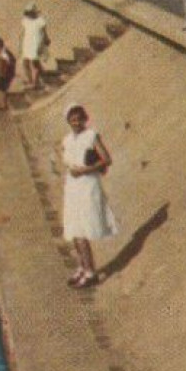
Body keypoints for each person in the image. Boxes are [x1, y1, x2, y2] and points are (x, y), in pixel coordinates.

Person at [60, 104, 118, 288]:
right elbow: (67, 159)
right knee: (73, 229)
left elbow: (107, 159)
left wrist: (86, 170)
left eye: (79, 119)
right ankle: (82, 267)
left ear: (84, 119)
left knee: (82, 229)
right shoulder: (67, 140)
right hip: (72, 186)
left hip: (87, 186)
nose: (76, 123)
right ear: (68, 121)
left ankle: (91, 271)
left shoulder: (91, 136)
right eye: (72, 119)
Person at [19, 2, 50, 91]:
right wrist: (21, 44)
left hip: (36, 43)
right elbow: (24, 32)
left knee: (34, 63)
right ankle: (31, 80)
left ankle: (35, 83)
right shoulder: (25, 20)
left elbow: (44, 33)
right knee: (25, 63)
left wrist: (45, 41)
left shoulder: (40, 20)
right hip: (27, 43)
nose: (29, 15)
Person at [0, 38, 18, 110]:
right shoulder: (3, 52)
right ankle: (4, 103)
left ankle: (4, 105)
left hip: (6, 75)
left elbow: (12, 62)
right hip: (4, 74)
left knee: (3, 89)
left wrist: (6, 70)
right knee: (2, 89)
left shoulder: (4, 53)